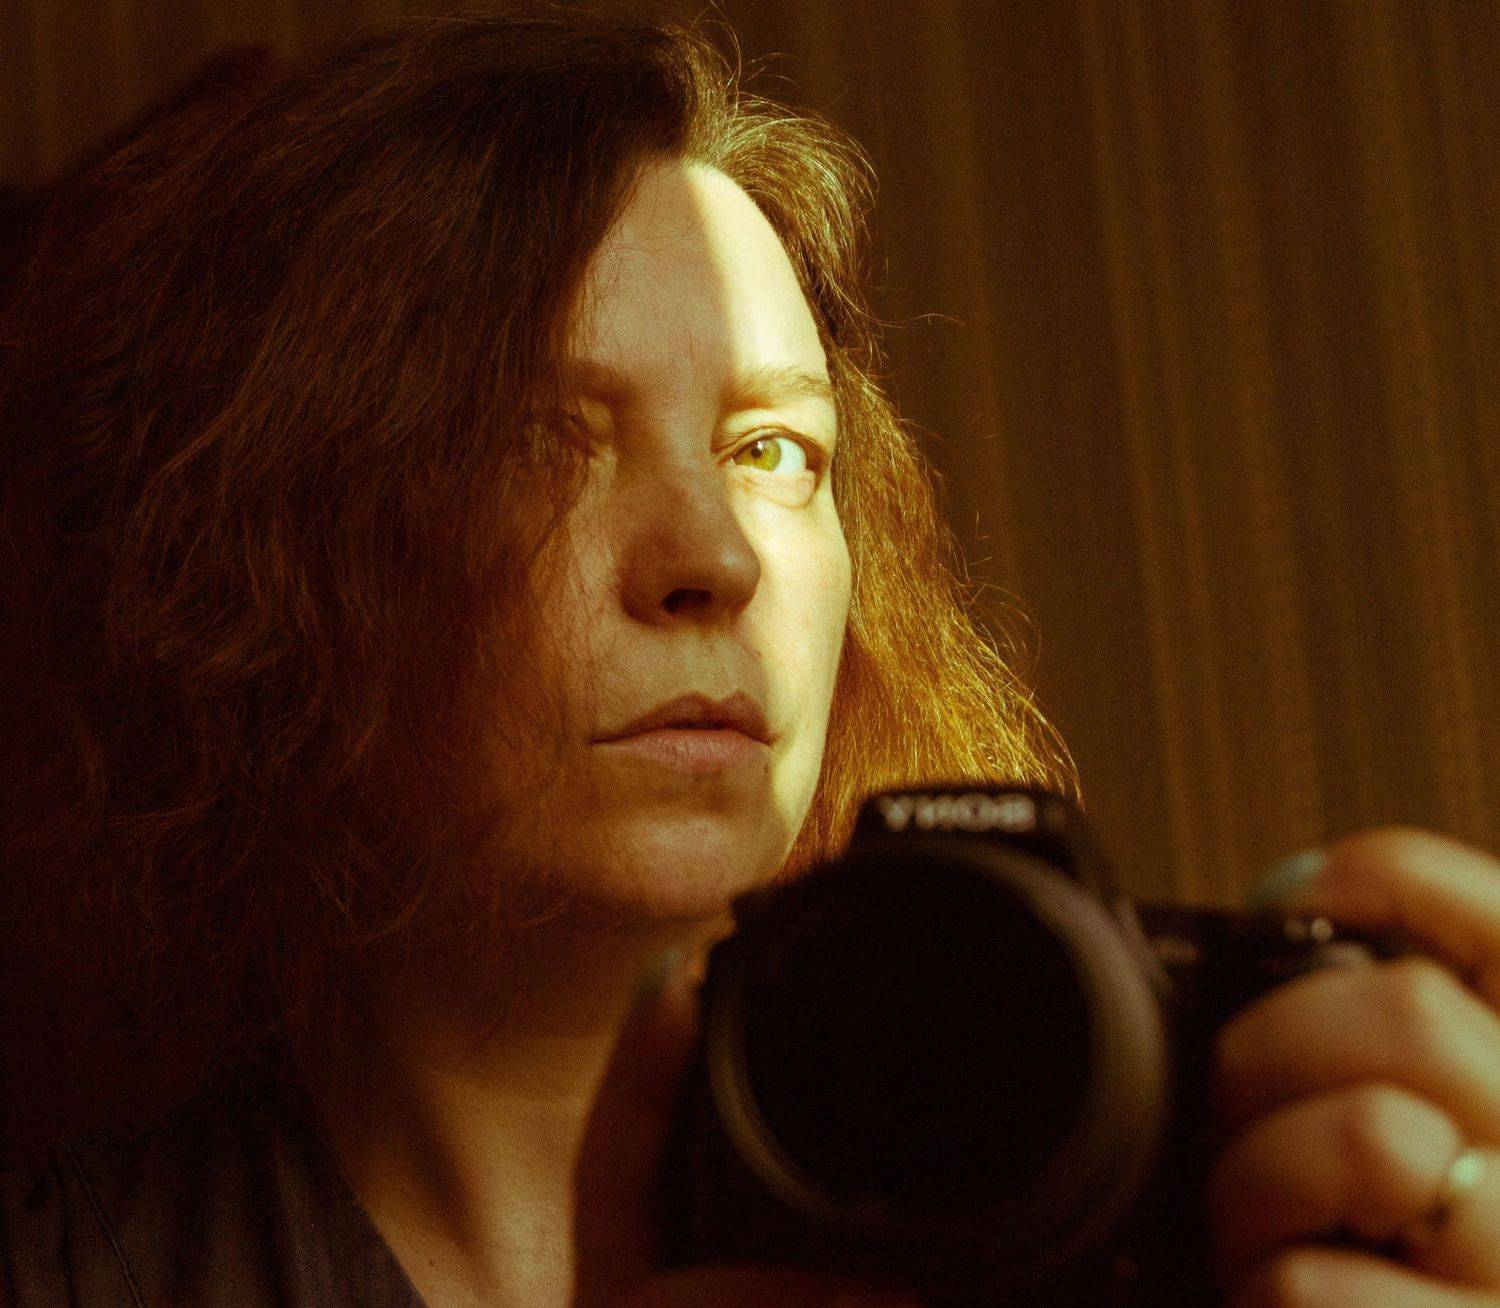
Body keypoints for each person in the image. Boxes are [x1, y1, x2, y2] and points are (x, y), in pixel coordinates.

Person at [0, 7, 1497, 1307]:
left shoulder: (1153, 1196)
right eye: (538, 439)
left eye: (773, 449)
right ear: (276, 555)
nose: (713, 559)